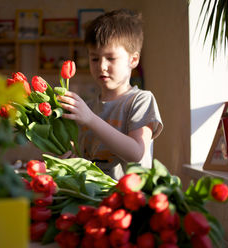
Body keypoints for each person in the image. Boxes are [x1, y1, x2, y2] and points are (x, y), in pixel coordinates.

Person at [57, 9, 163, 180]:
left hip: (129, 201)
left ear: (133, 60)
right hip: (92, 200)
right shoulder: (89, 108)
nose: (102, 66)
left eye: (111, 58)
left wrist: (90, 119)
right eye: (95, 58)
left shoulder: (140, 100)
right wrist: (70, 161)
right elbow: (84, 160)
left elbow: (136, 153)